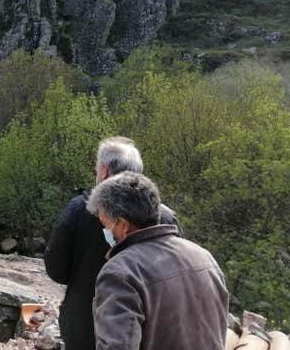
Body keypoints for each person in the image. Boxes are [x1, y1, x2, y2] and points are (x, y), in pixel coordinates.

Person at [43, 137, 180, 350]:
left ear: (104, 170)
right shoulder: (166, 218)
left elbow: (56, 269)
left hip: (85, 327)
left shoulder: (82, 208)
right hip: (146, 331)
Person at [87, 172, 228, 350]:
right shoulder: (204, 257)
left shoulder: (120, 273)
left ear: (123, 224)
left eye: (105, 224)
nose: (106, 231)